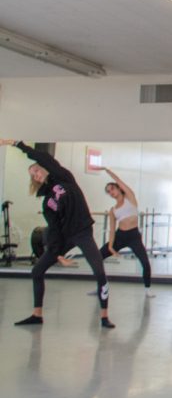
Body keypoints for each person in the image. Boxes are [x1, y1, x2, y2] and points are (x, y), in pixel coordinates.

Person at [1, 139, 114, 328]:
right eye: (32, 175)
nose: (35, 175)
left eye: (36, 170)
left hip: (83, 232)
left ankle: (104, 316)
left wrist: (16, 143)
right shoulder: (47, 202)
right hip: (65, 236)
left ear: (44, 167)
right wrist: (57, 253)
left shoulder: (64, 178)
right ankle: (37, 314)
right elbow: (54, 228)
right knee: (37, 271)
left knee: (99, 271)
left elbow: (42, 157)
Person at [101, 168, 154, 297]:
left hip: (134, 236)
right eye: (109, 192)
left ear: (118, 188)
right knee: (98, 256)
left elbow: (118, 180)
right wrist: (110, 247)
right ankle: (102, 285)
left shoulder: (130, 197)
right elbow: (112, 230)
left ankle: (147, 289)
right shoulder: (112, 210)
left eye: (112, 189)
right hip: (120, 236)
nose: (111, 193)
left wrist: (107, 171)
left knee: (145, 263)